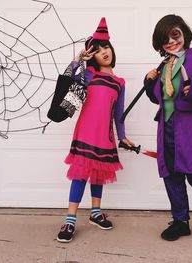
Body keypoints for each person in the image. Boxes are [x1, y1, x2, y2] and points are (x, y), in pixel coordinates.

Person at [144, 14, 192, 245]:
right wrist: (149, 83)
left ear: (184, 33)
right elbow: (158, 97)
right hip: (167, 127)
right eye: (165, 39)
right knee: (172, 175)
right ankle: (180, 222)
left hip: (191, 129)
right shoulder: (164, 64)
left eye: (175, 35)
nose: (171, 41)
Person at [57, 17, 135, 243]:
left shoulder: (119, 82)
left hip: (105, 135)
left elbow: (118, 114)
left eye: (107, 47)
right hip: (86, 132)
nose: (104, 52)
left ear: (112, 50)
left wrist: (123, 137)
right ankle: (70, 220)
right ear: (93, 55)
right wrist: (79, 59)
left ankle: (95, 213)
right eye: (98, 50)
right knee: (81, 174)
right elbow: (69, 78)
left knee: (99, 173)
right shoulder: (89, 75)